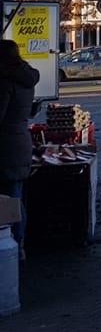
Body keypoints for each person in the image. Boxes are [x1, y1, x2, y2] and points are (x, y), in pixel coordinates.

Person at [0, 39, 41, 260]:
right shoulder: (26, 79)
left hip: (6, 145)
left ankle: (13, 245)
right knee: (16, 196)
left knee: (9, 199)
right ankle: (19, 242)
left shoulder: (6, 83)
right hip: (21, 142)